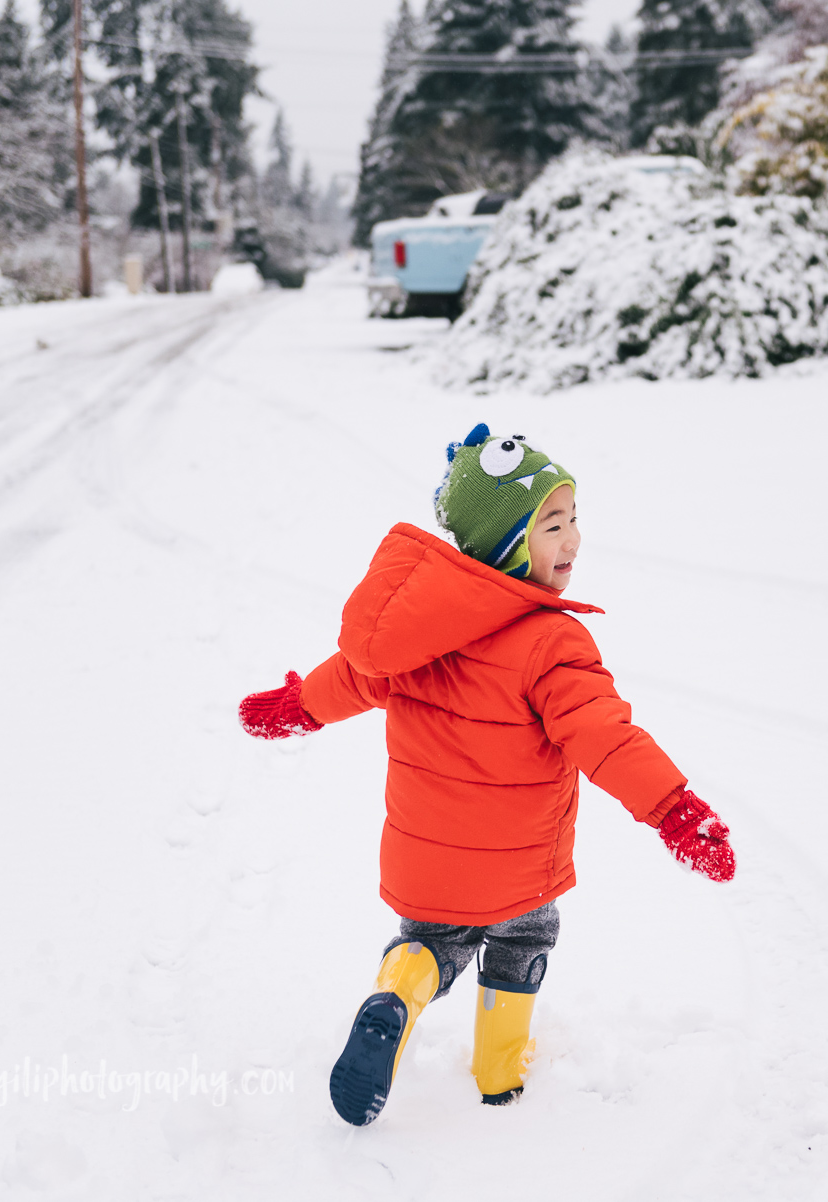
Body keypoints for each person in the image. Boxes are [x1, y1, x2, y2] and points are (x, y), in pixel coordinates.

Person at [237, 425, 735, 1126]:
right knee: (523, 940)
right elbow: (603, 734)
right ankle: (499, 1075)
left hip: (427, 861)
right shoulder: (552, 641)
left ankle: (398, 993)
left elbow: (347, 678)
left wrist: (294, 708)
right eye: (552, 526)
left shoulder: (417, 632)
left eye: (574, 521)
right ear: (505, 542)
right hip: (521, 863)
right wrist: (674, 809)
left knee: (433, 946)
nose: (574, 541)